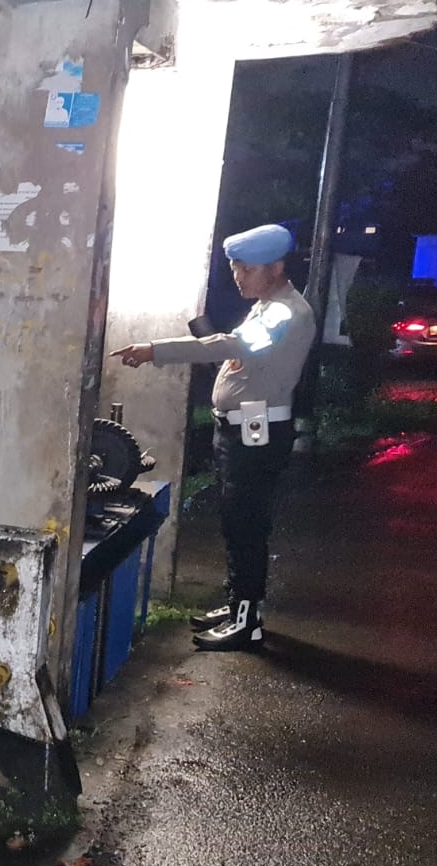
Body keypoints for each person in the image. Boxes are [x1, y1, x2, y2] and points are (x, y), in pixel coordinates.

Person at [110, 223, 316, 651]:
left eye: (246, 269)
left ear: (275, 268)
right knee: (235, 521)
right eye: (236, 269)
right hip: (240, 430)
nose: (238, 277)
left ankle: (247, 623)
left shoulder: (285, 312)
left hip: (255, 436)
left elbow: (226, 346)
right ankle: (237, 604)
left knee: (246, 525)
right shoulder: (267, 305)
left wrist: (155, 350)